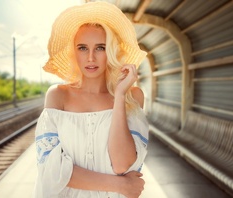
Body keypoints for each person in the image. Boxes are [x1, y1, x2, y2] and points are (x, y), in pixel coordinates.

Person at [34, 1, 149, 197]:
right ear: (73, 52)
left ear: (111, 51)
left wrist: (119, 96)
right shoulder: (58, 96)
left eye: (100, 48)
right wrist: (120, 185)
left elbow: (122, 164)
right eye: (82, 48)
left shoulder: (132, 96)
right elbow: (51, 170)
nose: (90, 58)